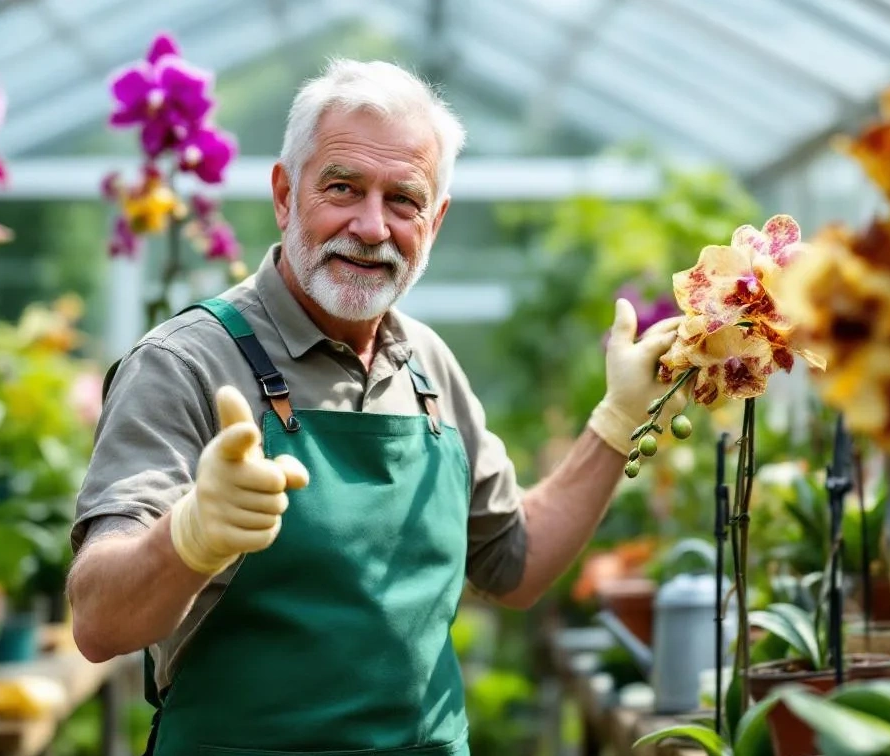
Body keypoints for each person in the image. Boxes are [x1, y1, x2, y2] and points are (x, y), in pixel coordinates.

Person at [66, 58, 685, 756]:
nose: (370, 226)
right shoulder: (186, 363)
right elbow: (97, 620)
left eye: (403, 200)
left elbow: (513, 565)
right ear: (283, 194)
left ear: (436, 219)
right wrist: (186, 538)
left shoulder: (427, 365)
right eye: (343, 188)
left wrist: (617, 421)